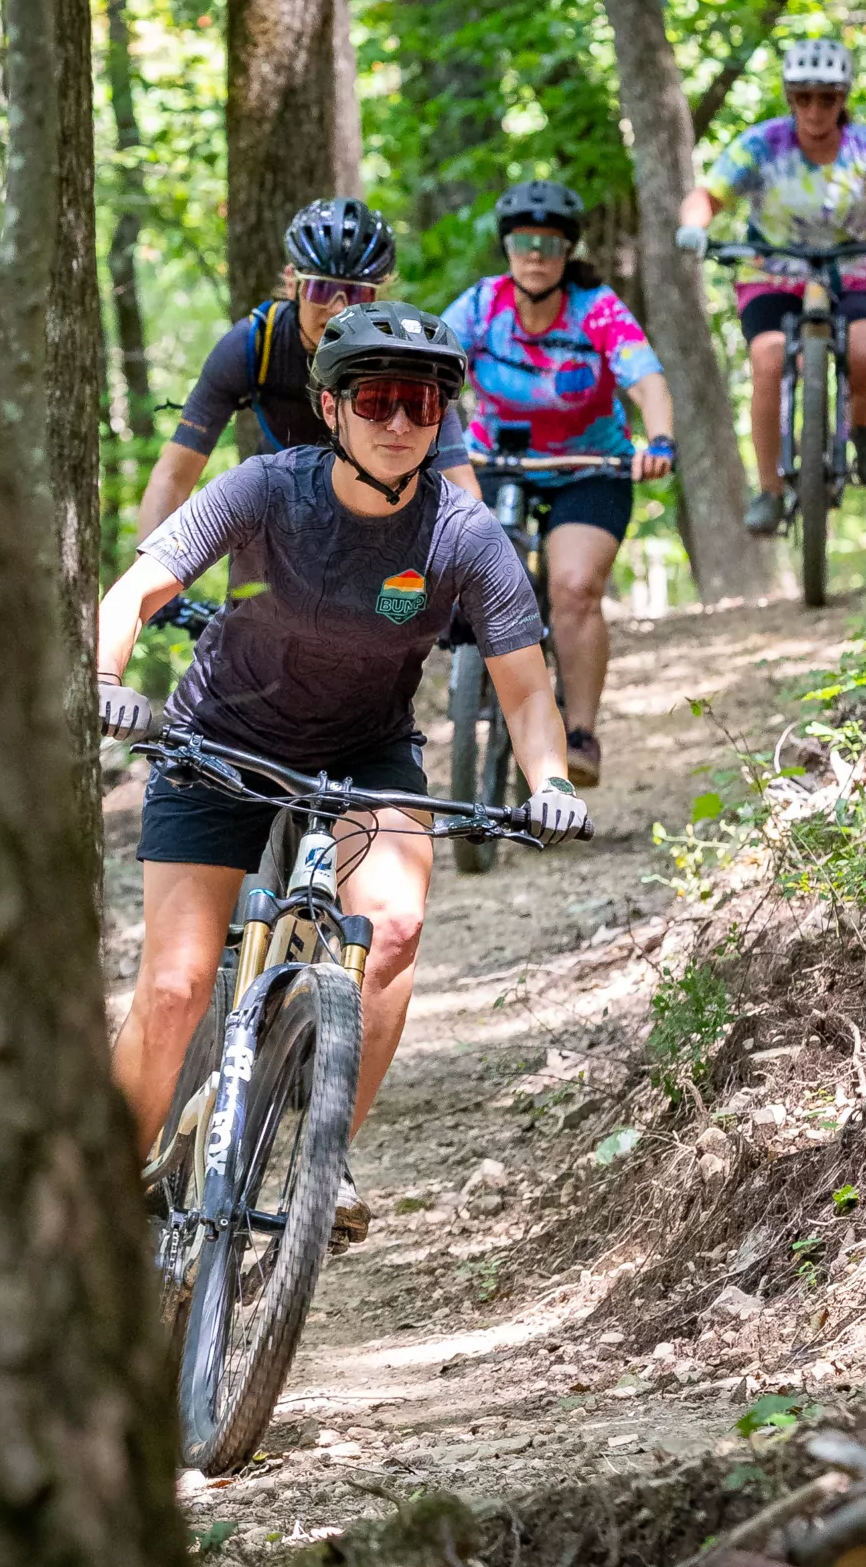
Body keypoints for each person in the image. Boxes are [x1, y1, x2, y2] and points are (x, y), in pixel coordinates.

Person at [93, 301, 590, 1247]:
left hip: (365, 750)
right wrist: (107, 679)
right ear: (331, 408)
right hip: (222, 739)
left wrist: (551, 782)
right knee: (175, 988)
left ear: (440, 417)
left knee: (393, 928)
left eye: (420, 403)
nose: (398, 421)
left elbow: (527, 693)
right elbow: (135, 593)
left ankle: (325, 1157)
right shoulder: (265, 489)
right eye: (375, 400)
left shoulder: (464, 534)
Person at [672, 38, 866, 535]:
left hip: (854, 271)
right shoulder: (763, 145)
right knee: (768, 360)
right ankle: (769, 490)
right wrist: (693, 227)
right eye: (803, 97)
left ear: (843, 99)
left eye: (827, 98)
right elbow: (707, 195)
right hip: (772, 273)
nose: (814, 110)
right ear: (790, 98)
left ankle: (862, 428)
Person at [441, 180, 675, 789]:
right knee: (461, 560)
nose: (536, 255)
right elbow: (430, 364)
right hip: (493, 460)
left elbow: (646, 378)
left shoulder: (596, 308)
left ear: (568, 251)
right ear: (507, 247)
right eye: (524, 242)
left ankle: (580, 732)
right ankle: (470, 683)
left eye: (550, 244)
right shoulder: (482, 305)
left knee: (573, 587)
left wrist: (660, 441)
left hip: (589, 468)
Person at [135, 197, 481, 541]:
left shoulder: (409, 356)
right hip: (279, 514)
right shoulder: (255, 344)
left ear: (378, 295)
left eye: (356, 294)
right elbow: (173, 478)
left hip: (380, 517)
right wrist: (149, 570)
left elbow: (460, 487)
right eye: (322, 288)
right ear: (292, 283)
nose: (337, 309)